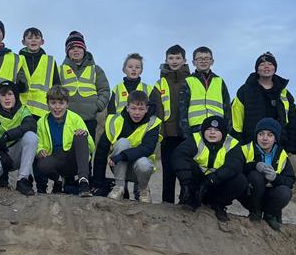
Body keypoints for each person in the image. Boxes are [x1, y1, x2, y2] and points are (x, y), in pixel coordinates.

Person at [174, 114, 244, 221]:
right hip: (197, 184)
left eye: (216, 130)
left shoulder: (232, 144)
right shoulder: (195, 139)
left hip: (216, 184)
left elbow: (235, 165)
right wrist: (186, 184)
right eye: (209, 129)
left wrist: (211, 180)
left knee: (240, 180)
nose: (212, 132)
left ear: (223, 133)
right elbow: (179, 155)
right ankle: (190, 198)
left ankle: (218, 205)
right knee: (184, 162)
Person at [97, 92, 162, 202]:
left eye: (141, 109)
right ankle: (119, 187)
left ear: (147, 109)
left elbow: (148, 148)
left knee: (144, 163)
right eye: (133, 108)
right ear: (127, 108)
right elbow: (101, 151)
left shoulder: (153, 123)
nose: (137, 113)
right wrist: (98, 183)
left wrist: (121, 156)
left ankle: (143, 190)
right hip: (118, 167)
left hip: (140, 170)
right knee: (122, 142)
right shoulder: (114, 121)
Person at [230, 52, 296, 152]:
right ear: (257, 69)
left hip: (279, 146)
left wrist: (291, 146)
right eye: (262, 64)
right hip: (250, 146)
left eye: (270, 64)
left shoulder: (284, 93)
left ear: (275, 68)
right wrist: (239, 146)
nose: (266, 67)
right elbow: (236, 122)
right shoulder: (244, 91)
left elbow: (292, 122)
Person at [35, 85, 94, 197]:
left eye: (61, 103)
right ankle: (59, 181)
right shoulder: (41, 122)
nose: (57, 107)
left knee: (81, 135)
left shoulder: (75, 118)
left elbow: (91, 148)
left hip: (74, 159)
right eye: (53, 103)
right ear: (48, 104)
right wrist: (40, 150)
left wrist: (85, 135)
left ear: (67, 104)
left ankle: (83, 182)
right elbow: (39, 144)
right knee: (42, 164)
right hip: (55, 159)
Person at [239, 117, 296, 231]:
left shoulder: (282, 155)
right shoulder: (245, 149)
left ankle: (270, 215)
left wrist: (275, 178)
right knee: (256, 176)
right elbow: (236, 169)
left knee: (285, 192)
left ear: (275, 138)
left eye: (270, 135)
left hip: (270, 195)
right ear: (256, 136)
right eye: (261, 134)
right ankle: (255, 212)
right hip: (250, 194)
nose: (264, 138)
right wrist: (254, 165)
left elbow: (290, 181)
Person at [155, 45, 190, 204]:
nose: (174, 61)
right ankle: (167, 203)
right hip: (168, 135)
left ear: (184, 60)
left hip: (186, 135)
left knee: (185, 170)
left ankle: (186, 200)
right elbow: (158, 110)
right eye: (171, 58)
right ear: (166, 60)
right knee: (168, 171)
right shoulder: (159, 83)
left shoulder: (192, 81)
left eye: (178, 58)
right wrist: (160, 133)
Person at [60, 31, 109, 141]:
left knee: (88, 149)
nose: (76, 50)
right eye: (72, 48)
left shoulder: (96, 69)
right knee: (67, 148)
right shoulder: (60, 70)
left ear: (84, 49)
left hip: (89, 119)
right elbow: (55, 92)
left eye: (79, 47)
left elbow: (104, 90)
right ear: (67, 52)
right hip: (66, 119)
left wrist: (98, 106)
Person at [178, 46, 230, 138]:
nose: (203, 61)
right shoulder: (188, 81)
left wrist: (227, 129)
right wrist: (186, 133)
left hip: (216, 126)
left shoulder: (219, 81)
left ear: (212, 61)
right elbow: (182, 109)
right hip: (195, 127)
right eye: (200, 59)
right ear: (194, 62)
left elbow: (227, 108)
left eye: (206, 58)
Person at [15, 27, 58, 116]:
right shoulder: (17, 60)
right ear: (23, 42)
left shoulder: (50, 61)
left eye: (37, 38)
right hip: (21, 111)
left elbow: (56, 86)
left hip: (43, 112)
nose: (33, 40)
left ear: (42, 42)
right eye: (30, 38)